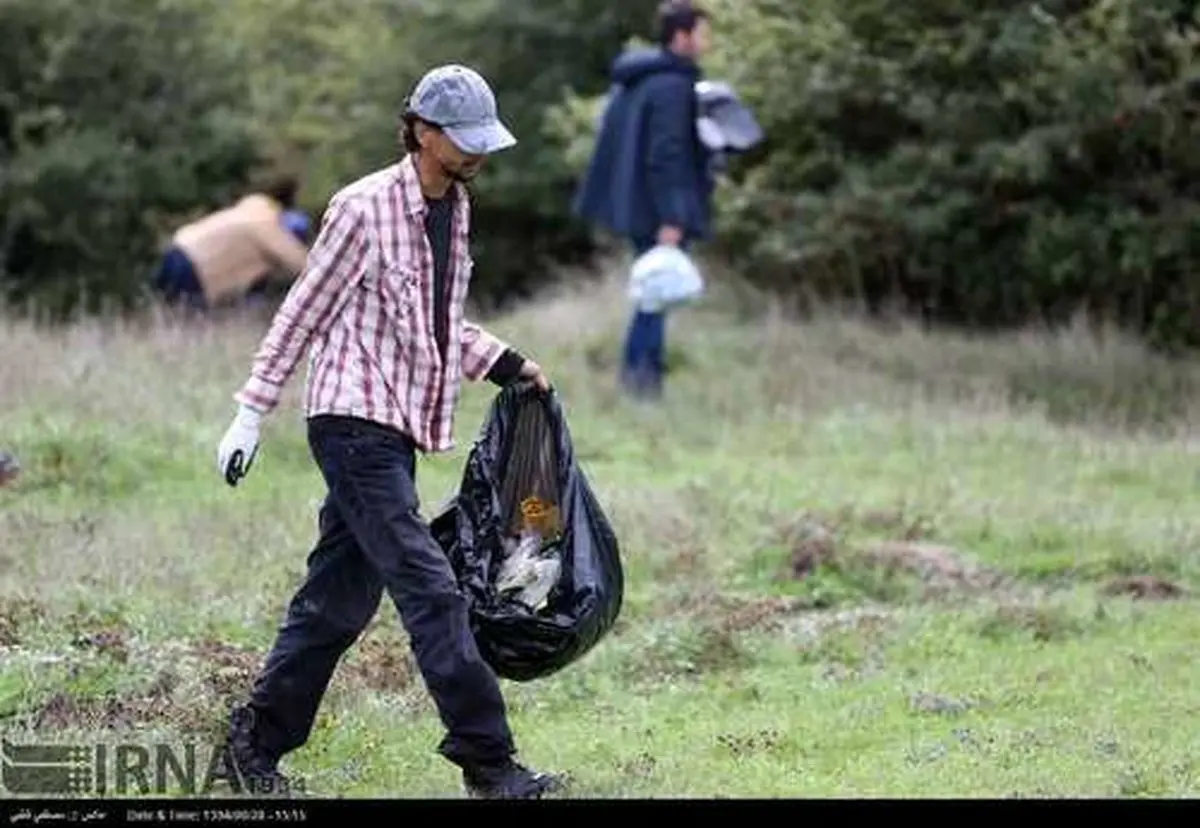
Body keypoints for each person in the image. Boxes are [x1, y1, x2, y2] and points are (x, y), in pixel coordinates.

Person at [212, 64, 563, 801]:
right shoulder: (363, 208)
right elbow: (301, 312)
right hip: (349, 423)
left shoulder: (454, 209)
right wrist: (252, 411)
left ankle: (252, 745)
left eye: (482, 143)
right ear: (422, 132)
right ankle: (490, 765)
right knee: (432, 591)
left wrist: (508, 364)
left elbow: (435, 323)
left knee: (337, 599)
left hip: (394, 427)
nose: (476, 155)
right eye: (463, 141)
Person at [572, 1, 715, 399]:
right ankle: (641, 385)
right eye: (703, 33)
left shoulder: (642, 78)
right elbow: (665, 157)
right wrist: (673, 217)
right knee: (655, 295)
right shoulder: (672, 84)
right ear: (681, 36)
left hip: (637, 206)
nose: (708, 42)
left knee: (654, 295)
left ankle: (643, 381)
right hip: (658, 213)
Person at [151, 175, 310, 311]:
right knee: (188, 319)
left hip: (177, 249)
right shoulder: (265, 222)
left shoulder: (246, 211)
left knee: (163, 312)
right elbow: (299, 263)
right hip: (194, 266)